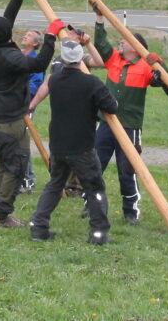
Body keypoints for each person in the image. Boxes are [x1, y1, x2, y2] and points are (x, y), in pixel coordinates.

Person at [28, 38, 119, 245]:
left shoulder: (54, 80)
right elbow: (112, 107)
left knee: (54, 185)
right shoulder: (92, 83)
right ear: (80, 59)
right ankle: (99, 233)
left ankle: (38, 227)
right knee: (95, 188)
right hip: (82, 147)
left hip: (58, 145)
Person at [0, 0, 55, 227]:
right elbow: (39, 63)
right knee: (14, 166)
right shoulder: (10, 58)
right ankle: (2, 215)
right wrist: (51, 37)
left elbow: (6, 20)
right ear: (7, 36)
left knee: (7, 163)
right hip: (9, 123)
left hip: (0, 119)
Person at [90, 9, 165, 224]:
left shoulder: (146, 66)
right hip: (106, 123)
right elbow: (101, 43)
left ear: (136, 46)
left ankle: (131, 211)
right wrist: (99, 19)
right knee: (96, 166)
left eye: (125, 41)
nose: (120, 43)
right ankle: (92, 204)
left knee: (128, 170)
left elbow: (161, 78)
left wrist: (157, 64)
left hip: (130, 126)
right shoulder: (114, 59)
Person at [19, 28, 44, 194]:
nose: (24, 36)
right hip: (11, 105)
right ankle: (17, 177)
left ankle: (28, 180)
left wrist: (17, 90)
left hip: (25, 106)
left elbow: (35, 86)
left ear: (35, 43)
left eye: (28, 36)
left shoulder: (36, 62)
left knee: (22, 143)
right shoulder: (18, 56)